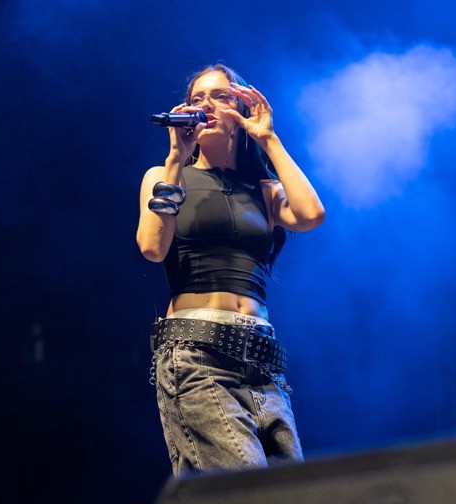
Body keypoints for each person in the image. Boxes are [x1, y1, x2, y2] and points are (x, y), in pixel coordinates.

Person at [137, 63, 325, 475]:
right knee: (249, 487)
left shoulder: (264, 190)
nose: (205, 105)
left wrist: (269, 139)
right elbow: (152, 247)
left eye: (219, 96)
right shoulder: (164, 176)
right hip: (197, 353)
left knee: (291, 495)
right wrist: (175, 159)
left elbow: (311, 215)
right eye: (196, 98)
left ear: (240, 111)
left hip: (262, 361)